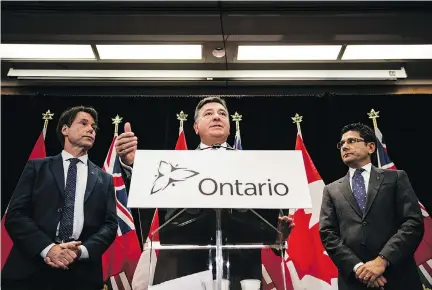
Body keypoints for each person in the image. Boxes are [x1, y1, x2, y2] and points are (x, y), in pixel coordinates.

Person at [115, 96, 293, 289]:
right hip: (186, 270)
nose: (217, 117)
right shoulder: (175, 166)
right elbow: (154, 209)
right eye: (208, 114)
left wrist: (277, 236)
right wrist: (132, 165)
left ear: (229, 126)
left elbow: (270, 223)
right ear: (196, 128)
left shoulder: (255, 166)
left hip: (242, 272)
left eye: (222, 114)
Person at [3, 106, 118, 290]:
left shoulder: (104, 179)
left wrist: (81, 251)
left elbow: (111, 224)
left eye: (94, 127)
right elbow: (15, 215)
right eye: (83, 123)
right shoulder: (37, 168)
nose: (91, 129)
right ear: (65, 129)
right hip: (30, 271)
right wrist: (49, 249)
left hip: (82, 275)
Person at [319, 122, 424, 290]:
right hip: (354, 281)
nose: (345, 146)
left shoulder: (395, 178)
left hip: (397, 276)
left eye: (351, 141)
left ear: (371, 147)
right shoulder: (331, 190)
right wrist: (359, 268)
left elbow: (412, 222)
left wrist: (382, 261)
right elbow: (328, 234)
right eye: (341, 144)